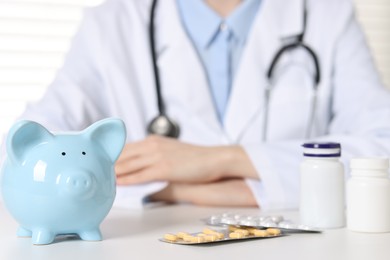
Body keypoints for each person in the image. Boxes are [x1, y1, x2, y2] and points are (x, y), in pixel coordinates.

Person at [1, 0, 390, 210]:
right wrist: (178, 189)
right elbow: (27, 152)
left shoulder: (328, 15)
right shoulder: (111, 23)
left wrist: (221, 160)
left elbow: (383, 148)